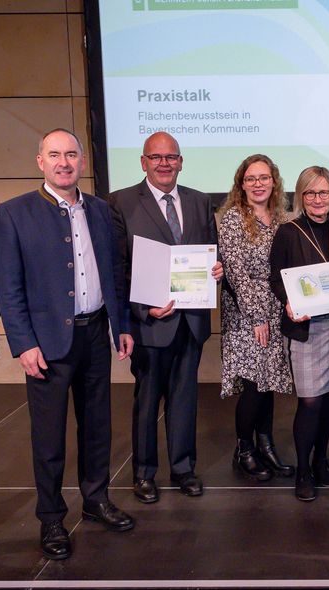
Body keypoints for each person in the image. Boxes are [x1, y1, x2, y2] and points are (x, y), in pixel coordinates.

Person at [0, 128, 135, 560]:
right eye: (54, 155)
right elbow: (7, 285)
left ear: (82, 162)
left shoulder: (99, 210)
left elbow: (113, 271)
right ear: (40, 161)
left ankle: (95, 500)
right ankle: (51, 516)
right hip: (46, 342)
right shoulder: (13, 214)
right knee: (49, 436)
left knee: (97, 427)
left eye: (71, 154)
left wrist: (121, 324)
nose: (63, 162)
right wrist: (22, 343)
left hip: (94, 334)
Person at [109, 132, 223, 502]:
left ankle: (183, 468)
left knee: (184, 399)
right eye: (156, 157)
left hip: (190, 320)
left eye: (171, 157)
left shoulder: (199, 201)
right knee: (147, 401)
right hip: (150, 322)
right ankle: (143, 473)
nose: (164, 163)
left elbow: (210, 251)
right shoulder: (121, 202)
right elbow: (118, 267)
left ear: (181, 161)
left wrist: (215, 268)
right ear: (143, 162)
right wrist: (141, 310)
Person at [270, 166, 329, 501]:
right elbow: (277, 279)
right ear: (300, 196)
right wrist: (288, 302)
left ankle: (321, 460)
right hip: (307, 328)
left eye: (323, 192)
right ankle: (303, 469)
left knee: (328, 395)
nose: (317, 200)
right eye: (309, 193)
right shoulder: (288, 232)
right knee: (309, 400)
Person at [219, 154, 295, 482]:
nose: (258, 184)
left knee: (268, 382)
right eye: (251, 179)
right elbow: (235, 272)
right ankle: (244, 449)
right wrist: (256, 316)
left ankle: (266, 445)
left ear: (274, 182)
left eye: (264, 178)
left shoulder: (281, 218)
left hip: (276, 307)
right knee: (253, 384)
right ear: (242, 184)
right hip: (247, 312)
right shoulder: (234, 218)